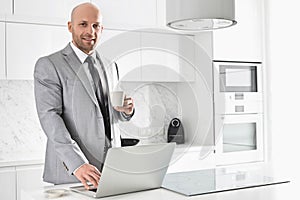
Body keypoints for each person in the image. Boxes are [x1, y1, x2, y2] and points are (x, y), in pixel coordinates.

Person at [34, 2, 134, 190]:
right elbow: (50, 117)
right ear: (70, 27)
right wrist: (77, 163)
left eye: (96, 25)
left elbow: (109, 114)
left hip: (112, 169)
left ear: (102, 28)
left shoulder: (110, 65)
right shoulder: (49, 65)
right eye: (83, 24)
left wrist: (126, 111)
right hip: (74, 172)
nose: (91, 31)